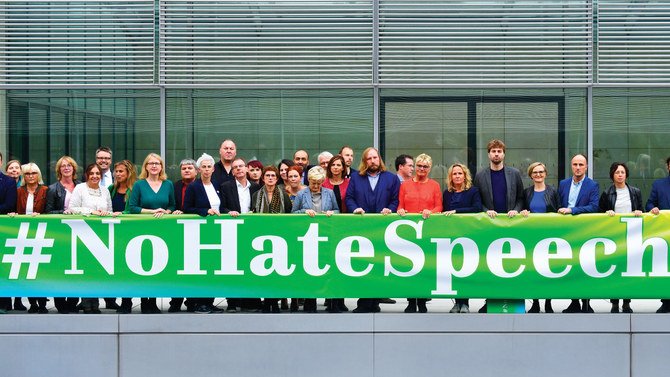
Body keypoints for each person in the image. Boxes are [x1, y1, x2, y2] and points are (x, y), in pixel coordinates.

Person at [345, 147, 400, 313]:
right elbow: (349, 197)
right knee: (364, 263)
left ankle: (375, 300)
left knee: (380, 265)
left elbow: (395, 199)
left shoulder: (391, 179)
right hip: (362, 228)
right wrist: (355, 209)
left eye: (375, 157)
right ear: (364, 161)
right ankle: (364, 302)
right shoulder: (356, 178)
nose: (372, 161)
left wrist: (390, 209)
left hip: (383, 228)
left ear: (380, 159)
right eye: (369, 158)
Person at [473, 139, 524, 313]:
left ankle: (513, 299)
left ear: (504, 154)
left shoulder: (514, 173)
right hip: (490, 227)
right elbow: (477, 200)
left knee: (511, 264)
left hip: (511, 227)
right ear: (488, 154)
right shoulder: (480, 176)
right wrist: (486, 211)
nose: (496, 154)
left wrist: (516, 211)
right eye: (493, 151)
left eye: (499, 151)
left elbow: (520, 198)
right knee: (490, 266)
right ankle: (490, 300)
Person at [129, 153, 182, 313]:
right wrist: (152, 211)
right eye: (150, 163)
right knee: (145, 265)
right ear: (145, 166)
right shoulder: (139, 185)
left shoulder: (168, 184)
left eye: (157, 163)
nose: (154, 166)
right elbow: (133, 207)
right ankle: (146, 302)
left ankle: (154, 300)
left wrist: (167, 211)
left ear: (161, 167)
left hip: (164, 232)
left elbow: (173, 205)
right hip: (143, 232)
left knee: (160, 265)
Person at [65, 163, 114, 314]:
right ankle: (86, 303)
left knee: (97, 271)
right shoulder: (80, 189)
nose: (94, 176)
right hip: (83, 234)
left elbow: (110, 210)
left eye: (97, 173)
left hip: (101, 235)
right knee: (85, 270)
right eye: (91, 173)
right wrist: (92, 212)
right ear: (86, 175)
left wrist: (106, 214)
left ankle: (95, 302)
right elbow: (72, 208)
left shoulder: (105, 190)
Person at [397, 153, 442, 313]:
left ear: (430, 169)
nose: (422, 169)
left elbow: (439, 207)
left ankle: (422, 300)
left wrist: (431, 211)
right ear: (415, 166)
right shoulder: (405, 185)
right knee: (409, 266)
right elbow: (400, 205)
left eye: (425, 166)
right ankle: (410, 300)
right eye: (419, 166)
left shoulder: (435, 185)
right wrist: (400, 210)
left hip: (427, 230)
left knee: (425, 267)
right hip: (409, 232)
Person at [292, 166, 340, 313]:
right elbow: (293, 213)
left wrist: (332, 212)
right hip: (308, 237)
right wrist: (304, 212)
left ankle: (330, 302)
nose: (316, 186)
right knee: (309, 270)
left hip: (326, 236)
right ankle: (309, 301)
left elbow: (338, 210)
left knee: (327, 269)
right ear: (309, 181)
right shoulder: (301, 194)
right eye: (313, 183)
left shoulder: (330, 193)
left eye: (319, 183)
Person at [182, 153, 225, 314]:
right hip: (199, 232)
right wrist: (204, 211)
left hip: (215, 232)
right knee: (200, 267)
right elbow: (187, 208)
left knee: (213, 267)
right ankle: (197, 302)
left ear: (213, 169)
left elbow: (221, 207)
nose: (207, 170)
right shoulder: (194, 186)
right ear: (199, 170)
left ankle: (209, 301)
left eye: (209, 167)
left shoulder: (216, 185)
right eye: (204, 167)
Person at [558, 153, 600, 313]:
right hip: (566, 233)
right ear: (571, 166)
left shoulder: (592, 185)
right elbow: (558, 204)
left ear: (586, 167)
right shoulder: (563, 184)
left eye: (581, 165)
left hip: (584, 232)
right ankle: (574, 301)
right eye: (575, 164)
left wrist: (572, 210)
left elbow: (594, 207)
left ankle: (586, 303)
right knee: (570, 266)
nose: (577, 167)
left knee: (585, 265)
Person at [599, 162, 642, 313]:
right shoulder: (606, 193)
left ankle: (627, 302)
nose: (620, 175)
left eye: (622, 172)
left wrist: (638, 212)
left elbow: (641, 210)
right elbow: (599, 213)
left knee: (628, 269)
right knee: (615, 269)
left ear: (626, 174)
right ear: (612, 175)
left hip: (630, 235)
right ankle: (615, 302)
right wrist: (607, 214)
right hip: (614, 237)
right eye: (617, 172)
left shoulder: (635, 192)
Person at [220, 158, 262, 312]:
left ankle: (251, 301)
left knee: (251, 266)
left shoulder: (256, 187)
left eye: (241, 166)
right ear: (232, 171)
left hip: (251, 232)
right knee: (233, 266)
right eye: (235, 167)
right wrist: (228, 212)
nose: (238, 169)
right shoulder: (226, 187)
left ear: (246, 169)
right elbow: (222, 207)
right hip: (232, 230)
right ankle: (232, 302)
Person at [520, 162, 560, 314]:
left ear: (545, 173)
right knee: (533, 269)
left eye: (541, 172)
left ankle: (548, 302)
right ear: (531, 175)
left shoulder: (553, 192)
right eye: (535, 172)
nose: (538, 174)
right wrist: (523, 212)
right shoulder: (526, 192)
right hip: (531, 237)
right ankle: (535, 302)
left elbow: (558, 210)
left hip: (549, 236)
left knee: (548, 269)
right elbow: (523, 208)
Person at [442, 163, 482, 313]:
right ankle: (457, 302)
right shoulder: (447, 193)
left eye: (460, 173)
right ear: (451, 177)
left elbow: (477, 208)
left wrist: (456, 211)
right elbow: (444, 210)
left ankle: (465, 302)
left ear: (465, 175)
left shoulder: (473, 191)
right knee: (454, 269)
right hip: (451, 235)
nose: (457, 176)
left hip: (468, 236)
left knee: (466, 269)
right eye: (454, 174)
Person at [10, 163, 49, 314]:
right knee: (28, 271)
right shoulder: (18, 191)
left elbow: (50, 210)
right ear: (23, 176)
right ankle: (33, 303)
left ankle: (42, 303)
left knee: (42, 271)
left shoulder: (46, 190)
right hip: (23, 235)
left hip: (42, 234)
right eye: (27, 173)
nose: (31, 176)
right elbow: (13, 208)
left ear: (38, 174)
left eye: (33, 173)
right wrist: (12, 214)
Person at [252, 166, 292, 313]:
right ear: (263, 178)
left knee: (276, 271)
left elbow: (288, 213)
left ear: (277, 178)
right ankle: (267, 300)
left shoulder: (283, 194)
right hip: (261, 237)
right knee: (265, 270)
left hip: (280, 237)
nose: (270, 178)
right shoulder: (257, 195)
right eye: (267, 175)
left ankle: (273, 301)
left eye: (273, 176)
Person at [45, 156, 81, 313]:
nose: (66, 168)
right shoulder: (53, 189)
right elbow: (48, 211)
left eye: (69, 166)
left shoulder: (82, 186)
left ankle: (73, 301)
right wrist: (65, 212)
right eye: (63, 166)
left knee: (78, 267)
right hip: (61, 234)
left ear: (74, 169)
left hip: (80, 233)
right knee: (60, 267)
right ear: (58, 170)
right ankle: (60, 302)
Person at [109, 160, 137, 314]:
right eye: (116, 171)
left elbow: (134, 209)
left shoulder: (134, 189)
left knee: (128, 270)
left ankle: (127, 301)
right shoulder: (111, 189)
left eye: (121, 171)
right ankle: (114, 299)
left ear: (128, 173)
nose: (118, 174)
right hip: (113, 234)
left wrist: (122, 214)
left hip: (129, 234)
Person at [169, 158, 197, 313]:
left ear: (196, 171)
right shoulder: (174, 186)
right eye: (184, 168)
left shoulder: (201, 185)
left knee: (193, 268)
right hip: (177, 232)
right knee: (177, 267)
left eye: (190, 168)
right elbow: (171, 204)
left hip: (196, 231)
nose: (186, 170)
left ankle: (192, 300)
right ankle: (176, 301)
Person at [646, 156, 670, 313]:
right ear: (668, 167)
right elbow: (649, 203)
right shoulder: (659, 184)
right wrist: (653, 209)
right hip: (664, 235)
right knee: (665, 268)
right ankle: (666, 301)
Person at [4, 159, 25, 311]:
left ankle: (18, 299)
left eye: (17, 168)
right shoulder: (7, 183)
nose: (14, 170)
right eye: (11, 168)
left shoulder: (22, 186)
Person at [0, 153, 17, 313]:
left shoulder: (8, 181)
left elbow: (10, 204)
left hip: (2, 230)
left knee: (2, 267)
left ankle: (4, 303)